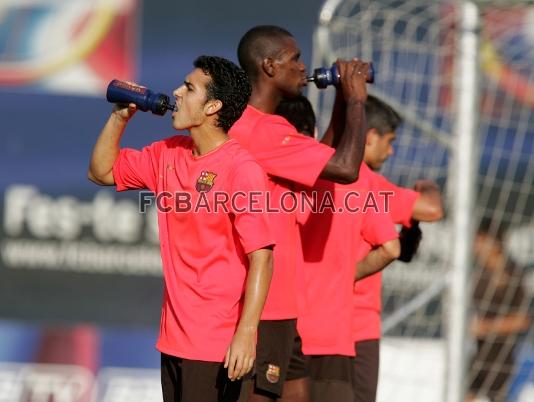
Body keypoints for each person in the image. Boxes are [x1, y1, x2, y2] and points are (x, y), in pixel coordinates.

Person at [88, 55, 274, 402]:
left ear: (212, 106)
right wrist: (119, 117)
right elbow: (101, 172)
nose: (176, 92)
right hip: (173, 338)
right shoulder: (168, 154)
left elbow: (262, 257)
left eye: (189, 88)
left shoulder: (242, 169)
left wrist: (246, 332)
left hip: (217, 343)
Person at [229, 25, 371, 402]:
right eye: (295, 59)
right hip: (265, 307)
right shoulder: (261, 130)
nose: (303, 66)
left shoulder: (261, 128)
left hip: (280, 306)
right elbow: (344, 168)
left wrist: (341, 102)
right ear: (270, 67)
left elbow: (321, 163)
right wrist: (357, 101)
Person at [275, 95, 401, 402]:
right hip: (333, 338)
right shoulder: (359, 180)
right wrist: (346, 276)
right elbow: (391, 248)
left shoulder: (269, 174)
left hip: (278, 330)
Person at [351, 95, 444, 402]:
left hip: (307, 323)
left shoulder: (314, 171)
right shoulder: (368, 184)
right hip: (355, 327)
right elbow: (431, 209)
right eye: (389, 141)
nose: (391, 151)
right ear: (370, 137)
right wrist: (427, 185)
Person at [467, 219, 530, 402]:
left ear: (494, 243)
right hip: (478, 353)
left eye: (480, 240)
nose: (475, 246)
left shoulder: (514, 275)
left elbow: (522, 320)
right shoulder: (478, 274)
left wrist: (486, 326)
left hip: (503, 357)